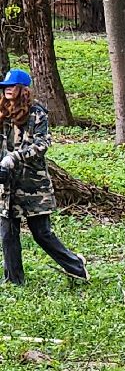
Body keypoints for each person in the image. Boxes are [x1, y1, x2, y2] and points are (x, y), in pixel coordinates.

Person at [0, 68, 87, 285]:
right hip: (7, 186)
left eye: (13, 86)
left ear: (23, 89)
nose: (8, 89)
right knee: (8, 234)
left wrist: (15, 158)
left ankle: (76, 266)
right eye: (6, 86)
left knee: (41, 233)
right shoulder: (2, 111)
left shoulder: (37, 112)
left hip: (32, 185)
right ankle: (14, 281)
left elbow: (42, 143)